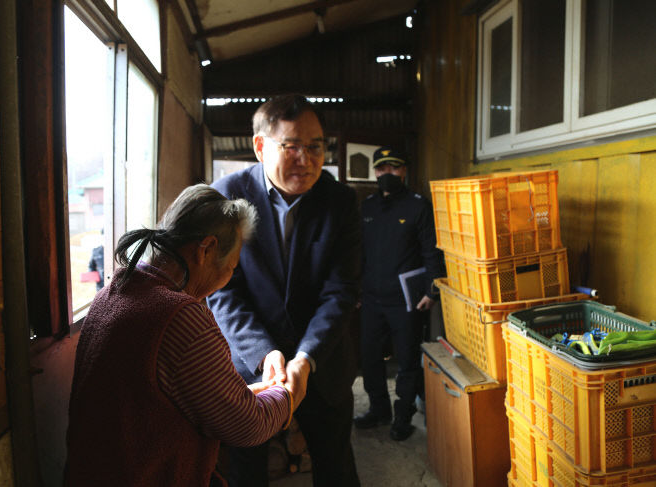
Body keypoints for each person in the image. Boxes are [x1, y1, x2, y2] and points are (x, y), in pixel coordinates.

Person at [64, 184, 303, 487]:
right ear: (205, 250)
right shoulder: (180, 317)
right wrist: (289, 391)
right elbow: (248, 426)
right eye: (231, 267)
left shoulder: (115, 290)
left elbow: (160, 397)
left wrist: (249, 394)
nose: (228, 276)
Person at [207, 94, 362, 487]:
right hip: (251, 367)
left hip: (322, 364)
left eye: (315, 147)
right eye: (291, 146)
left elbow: (340, 291)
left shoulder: (340, 201)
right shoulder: (226, 197)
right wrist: (265, 353)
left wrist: (306, 358)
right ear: (260, 146)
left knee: (336, 467)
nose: (305, 159)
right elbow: (223, 292)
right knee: (246, 470)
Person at [353, 146, 445, 441]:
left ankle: (402, 417)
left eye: (393, 168)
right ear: (375, 172)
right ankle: (379, 410)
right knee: (369, 358)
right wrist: (354, 289)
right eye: (381, 169)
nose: (386, 173)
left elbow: (432, 252)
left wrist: (432, 290)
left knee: (407, 360)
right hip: (370, 299)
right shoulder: (367, 207)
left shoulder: (419, 206)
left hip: (407, 299)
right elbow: (358, 253)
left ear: (404, 171)